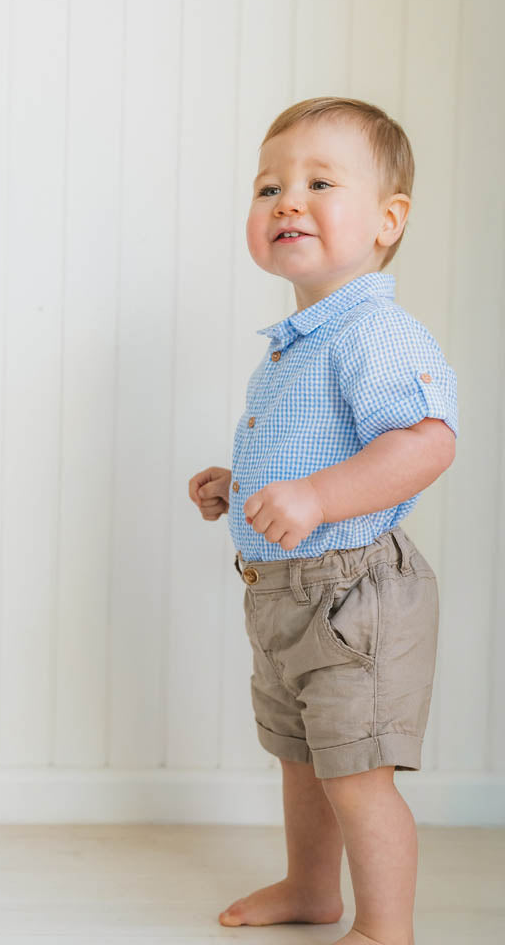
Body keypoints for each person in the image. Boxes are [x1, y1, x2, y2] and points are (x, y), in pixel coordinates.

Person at [188, 96, 458, 945]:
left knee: (356, 771)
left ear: (388, 220)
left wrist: (313, 498)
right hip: (285, 595)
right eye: (269, 187)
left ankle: (385, 928)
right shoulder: (301, 340)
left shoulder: (375, 331)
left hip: (352, 596)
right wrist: (243, 484)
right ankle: (312, 889)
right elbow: (318, 450)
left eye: (318, 183)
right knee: (302, 756)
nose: (287, 202)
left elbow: (426, 444)